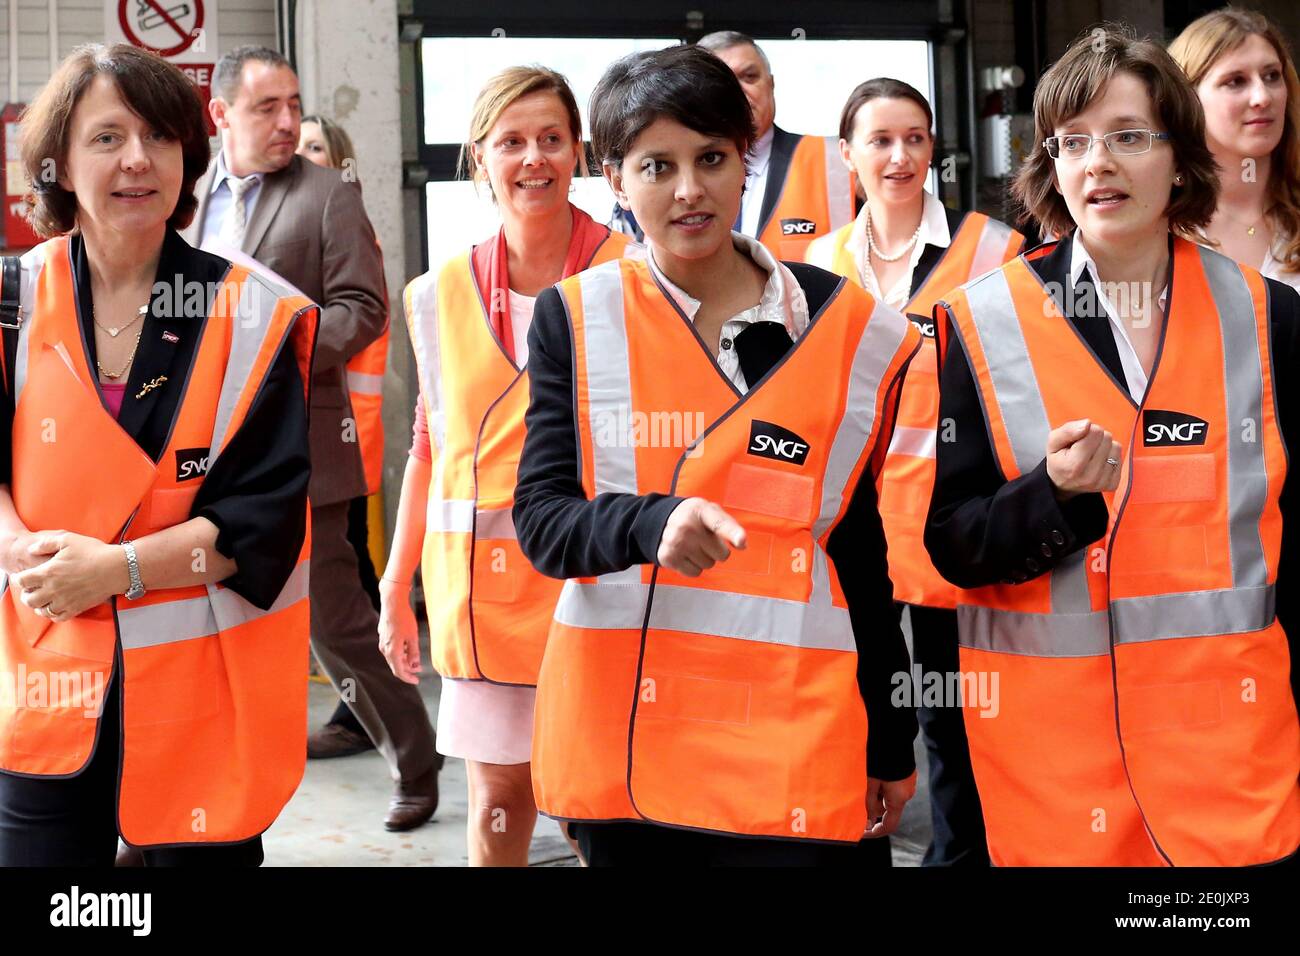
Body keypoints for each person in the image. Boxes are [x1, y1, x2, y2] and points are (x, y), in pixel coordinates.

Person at [514, 44, 921, 866]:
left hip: (799, 739)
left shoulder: (856, 333)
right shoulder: (576, 318)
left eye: (711, 158)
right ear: (615, 178)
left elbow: (863, 555)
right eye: (656, 165)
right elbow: (541, 520)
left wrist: (890, 736)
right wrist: (647, 524)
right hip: (633, 745)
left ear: (748, 159)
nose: (689, 189)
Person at [925, 24, 1300, 866]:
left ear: (1180, 155)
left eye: (1129, 136)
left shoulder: (1271, 317)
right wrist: (1052, 497)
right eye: (1074, 142)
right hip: (1057, 768)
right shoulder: (980, 322)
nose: (1100, 163)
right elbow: (951, 544)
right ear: (1050, 166)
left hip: (1231, 762)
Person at [0, 43, 316, 866]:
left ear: (189, 155)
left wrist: (111, 571)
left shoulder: (253, 313)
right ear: (59, 163)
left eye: (159, 137)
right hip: (43, 685)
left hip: (199, 703)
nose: (137, 160)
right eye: (107, 138)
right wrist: (17, 549)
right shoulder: (11, 302)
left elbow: (262, 522)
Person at [181, 45, 441, 832]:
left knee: (335, 624)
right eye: (267, 108)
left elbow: (363, 308)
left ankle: (415, 760)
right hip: (194, 449)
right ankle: (190, 799)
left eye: (294, 105)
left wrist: (265, 346)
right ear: (221, 115)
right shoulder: (185, 201)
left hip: (297, 446)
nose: (288, 122)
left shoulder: (328, 195)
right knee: (198, 630)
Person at [381, 66, 633, 867]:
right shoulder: (437, 293)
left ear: (579, 154)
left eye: (552, 140)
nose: (534, 159)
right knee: (498, 802)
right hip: (485, 603)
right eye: (512, 142)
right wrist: (395, 587)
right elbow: (431, 445)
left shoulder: (633, 275)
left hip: (606, 588)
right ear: (479, 159)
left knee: (607, 807)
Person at [806, 77, 1023, 867]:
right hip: (845, 515)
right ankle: (853, 829)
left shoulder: (995, 250)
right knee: (862, 683)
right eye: (881, 140)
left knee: (949, 704)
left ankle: (958, 856)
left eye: (916, 139)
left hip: (944, 513)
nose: (901, 156)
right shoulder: (817, 263)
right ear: (848, 155)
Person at [295, 113, 386, 761]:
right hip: (319, 434)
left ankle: (367, 716)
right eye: (297, 145)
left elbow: (353, 323)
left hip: (346, 432)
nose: (301, 154)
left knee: (351, 585)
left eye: (316, 146)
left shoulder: (338, 220)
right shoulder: (300, 222)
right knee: (348, 582)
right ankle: (365, 710)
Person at [611, 31, 855, 264]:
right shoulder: (642, 181)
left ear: (771, 85)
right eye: (720, 82)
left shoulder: (837, 160)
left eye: (749, 76)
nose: (737, 91)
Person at [1169, 7, 1300, 292]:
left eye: (1271, 76)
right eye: (1235, 81)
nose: (1262, 97)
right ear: (1188, 99)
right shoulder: (1158, 225)